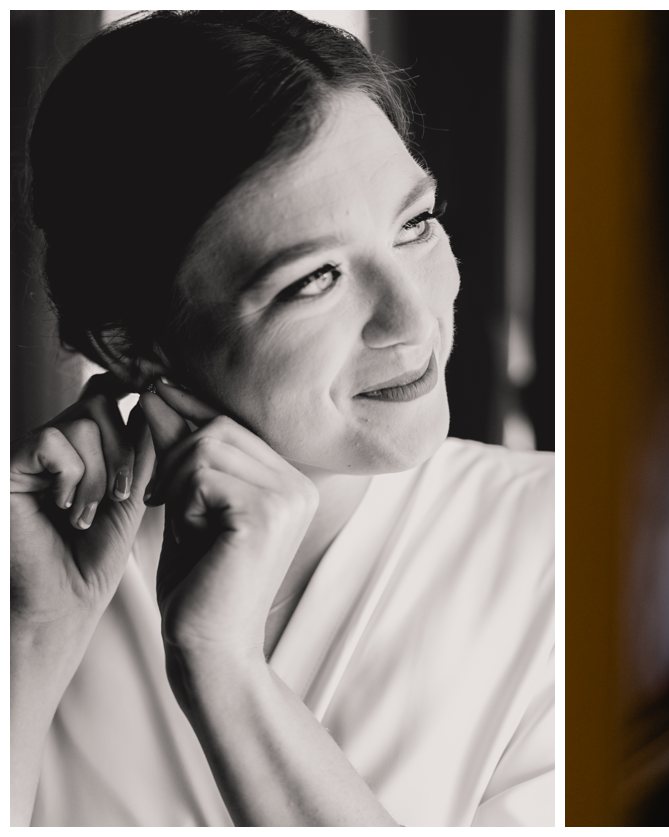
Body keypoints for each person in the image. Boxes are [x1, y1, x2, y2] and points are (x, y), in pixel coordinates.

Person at [11, 12, 552, 826]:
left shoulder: (566, 546)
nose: (412, 319)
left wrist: (223, 669)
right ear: (133, 345)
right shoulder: (36, 579)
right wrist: (32, 639)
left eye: (416, 223)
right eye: (314, 280)